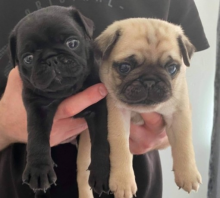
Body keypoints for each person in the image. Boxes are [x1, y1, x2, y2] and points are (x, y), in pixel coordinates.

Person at [0, 0, 209, 198]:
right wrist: (4, 126)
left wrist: (165, 134)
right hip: (17, 178)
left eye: (72, 43)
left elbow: (182, 90)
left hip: (137, 175)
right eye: (126, 67)